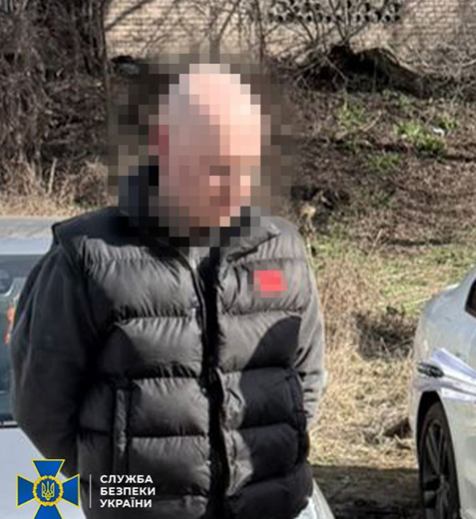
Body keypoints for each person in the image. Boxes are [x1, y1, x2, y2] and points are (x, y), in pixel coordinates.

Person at [11, 58, 329, 519]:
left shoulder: (283, 250)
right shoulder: (87, 258)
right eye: (218, 165)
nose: (236, 185)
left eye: (247, 164)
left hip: (270, 505)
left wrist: (270, 475)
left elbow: (306, 381)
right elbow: (41, 408)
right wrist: (131, 493)